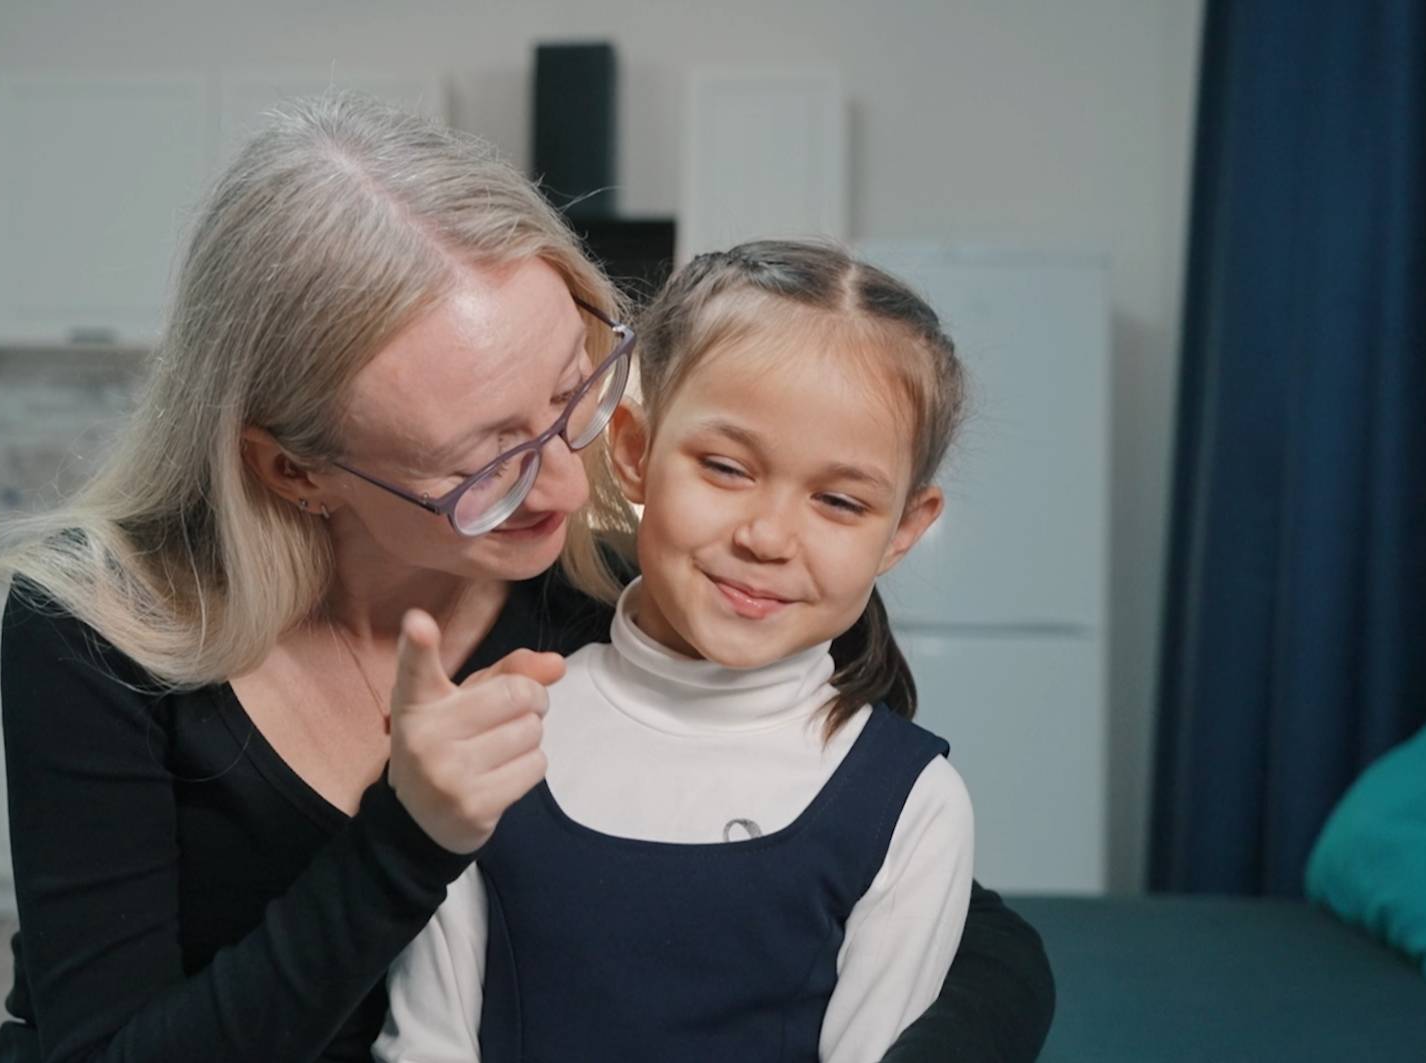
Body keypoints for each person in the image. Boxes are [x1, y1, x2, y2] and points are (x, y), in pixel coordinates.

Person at [0, 94, 1053, 1063]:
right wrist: (405, 841)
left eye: (569, 391)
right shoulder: (100, 625)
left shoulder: (602, 583)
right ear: (295, 469)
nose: (562, 478)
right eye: (485, 459)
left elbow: (947, 917)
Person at [378, 239, 978, 1062]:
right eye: (726, 467)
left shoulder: (916, 803)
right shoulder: (498, 732)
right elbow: (426, 1045)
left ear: (904, 530)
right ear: (633, 453)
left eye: (838, 500)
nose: (767, 536)